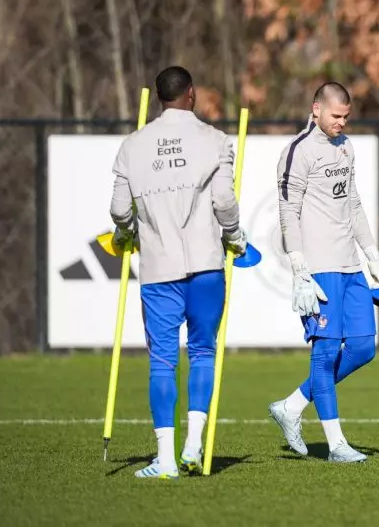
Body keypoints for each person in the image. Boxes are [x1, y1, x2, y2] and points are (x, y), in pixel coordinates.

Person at [109, 65, 248, 478]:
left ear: (158, 98)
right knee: (203, 351)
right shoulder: (215, 140)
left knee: (162, 362)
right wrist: (235, 236)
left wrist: (127, 232)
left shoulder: (132, 146)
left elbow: (119, 210)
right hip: (206, 266)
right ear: (192, 94)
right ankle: (194, 443)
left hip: (159, 268)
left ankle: (166, 460)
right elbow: (224, 201)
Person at [267, 82, 379, 463]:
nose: (341, 123)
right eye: (336, 116)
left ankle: (292, 405)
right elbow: (288, 212)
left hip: (351, 265)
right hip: (319, 267)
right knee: (323, 354)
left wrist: (372, 256)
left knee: (363, 348)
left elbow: (353, 204)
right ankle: (337, 445)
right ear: (316, 108)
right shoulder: (298, 151)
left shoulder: (346, 147)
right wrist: (299, 269)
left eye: (346, 117)